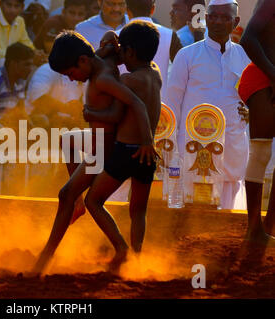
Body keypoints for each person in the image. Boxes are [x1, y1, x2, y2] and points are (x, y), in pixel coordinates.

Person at [32, 30, 157, 275]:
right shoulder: (100, 61)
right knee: (67, 141)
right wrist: (110, 44)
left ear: (82, 61)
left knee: (65, 194)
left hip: (104, 147)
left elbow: (132, 105)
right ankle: (79, 204)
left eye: (70, 74)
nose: (70, 79)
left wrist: (146, 140)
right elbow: (109, 43)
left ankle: (46, 257)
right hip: (99, 140)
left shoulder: (105, 78)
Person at [83, 21, 162, 273]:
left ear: (128, 52)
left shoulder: (127, 80)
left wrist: (89, 112)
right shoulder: (156, 74)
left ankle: (121, 247)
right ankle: (137, 258)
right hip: (147, 153)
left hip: (127, 150)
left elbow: (114, 115)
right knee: (138, 210)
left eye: (124, 52)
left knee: (93, 200)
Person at [167, 0, 251, 210]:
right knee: (191, 214)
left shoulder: (245, 56)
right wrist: (172, 151)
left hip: (232, 146)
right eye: (213, 16)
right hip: (193, 150)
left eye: (225, 17)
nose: (218, 22)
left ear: (236, 21)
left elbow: (252, 100)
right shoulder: (187, 55)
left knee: (229, 216)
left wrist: (249, 111)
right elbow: (171, 105)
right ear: (206, 18)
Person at [238, 0, 275, 244]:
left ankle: (268, 227)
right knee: (260, 153)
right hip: (264, 78)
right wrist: (274, 74)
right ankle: (254, 230)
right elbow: (247, 39)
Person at [125, 0, 182, 102]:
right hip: (160, 109)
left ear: (127, 11)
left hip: (124, 106)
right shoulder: (170, 36)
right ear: (153, 9)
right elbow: (183, 69)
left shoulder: (115, 36)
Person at [0, 0, 44, 70]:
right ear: (0, 3)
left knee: (39, 64)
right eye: (9, 5)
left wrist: (36, 53)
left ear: (22, 7)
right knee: (16, 65)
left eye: (16, 6)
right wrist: (24, 55)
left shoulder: (19, 21)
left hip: (7, 59)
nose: (12, 10)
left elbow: (27, 45)